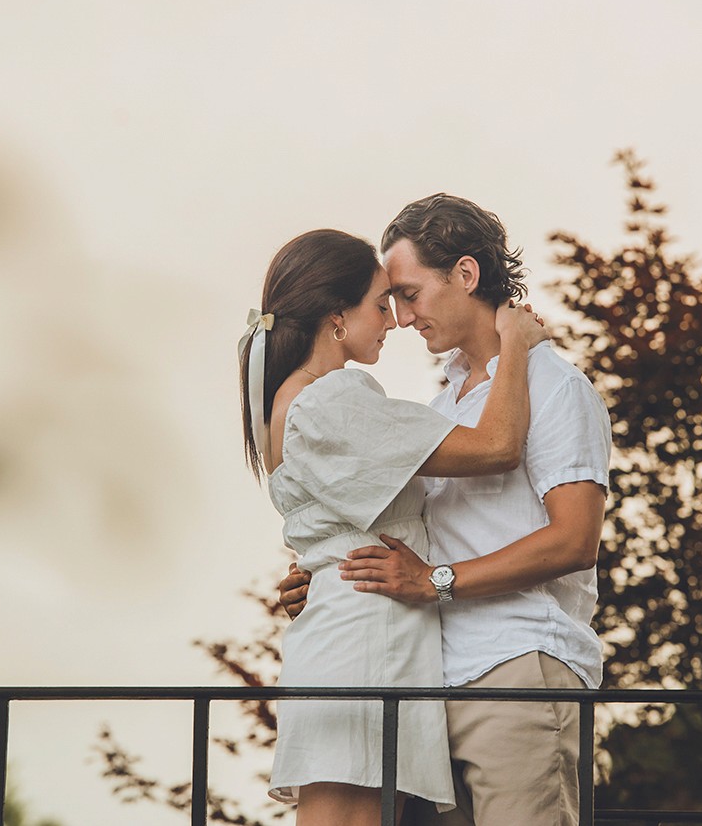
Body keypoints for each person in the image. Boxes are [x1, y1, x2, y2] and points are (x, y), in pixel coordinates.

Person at [279, 195, 612, 826]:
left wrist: (436, 582)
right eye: (392, 302)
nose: (401, 318)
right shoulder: (441, 411)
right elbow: (412, 535)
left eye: (409, 294)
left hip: (516, 668)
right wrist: (326, 577)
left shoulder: (555, 387)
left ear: (465, 274)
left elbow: (574, 541)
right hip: (431, 680)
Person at [239, 228, 548, 826]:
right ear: (336, 316)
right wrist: (517, 345)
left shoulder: (287, 401)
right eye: (381, 304)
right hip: (368, 636)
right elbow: (499, 445)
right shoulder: (334, 397)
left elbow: (329, 527)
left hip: (355, 624)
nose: (395, 320)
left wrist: (314, 573)